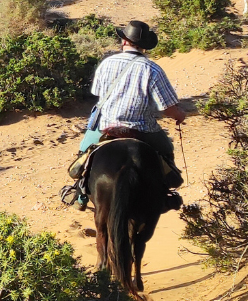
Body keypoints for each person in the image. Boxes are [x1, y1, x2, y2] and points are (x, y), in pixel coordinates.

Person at [64, 20, 185, 213]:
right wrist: (180, 115)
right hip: (142, 129)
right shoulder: (152, 69)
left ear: (124, 41)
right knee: (166, 150)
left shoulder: (107, 63)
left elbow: (98, 92)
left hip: (105, 126)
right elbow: (168, 108)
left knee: (84, 152)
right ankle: (166, 193)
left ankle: (79, 193)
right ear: (145, 46)